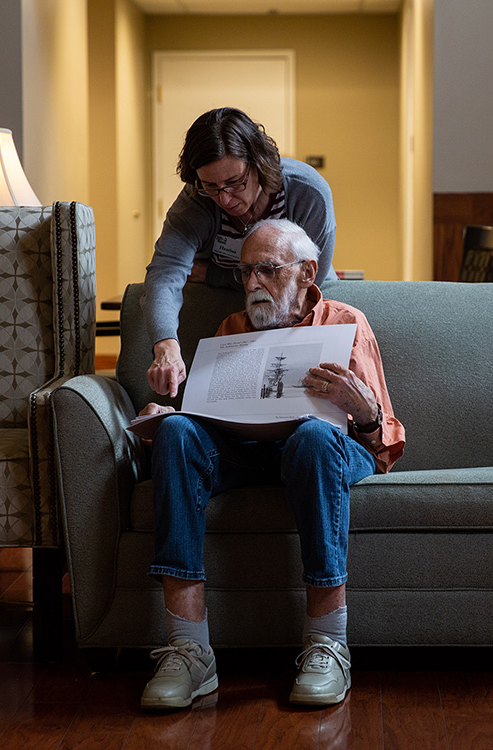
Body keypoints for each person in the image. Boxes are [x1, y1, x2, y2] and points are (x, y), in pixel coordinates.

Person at [138, 219, 405, 710]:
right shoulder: (232, 329)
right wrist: (171, 416)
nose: (253, 284)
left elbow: (382, 440)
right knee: (176, 431)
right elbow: (209, 421)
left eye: (267, 270)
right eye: (245, 273)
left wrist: (362, 409)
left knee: (312, 436)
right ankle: (189, 649)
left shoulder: (346, 322)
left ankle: (327, 643)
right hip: (245, 451)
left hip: (323, 450)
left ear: (307, 271)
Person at [142, 107, 338, 399]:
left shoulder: (307, 193)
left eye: (235, 182)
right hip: (236, 320)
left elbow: (299, 288)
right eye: (211, 186)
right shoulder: (196, 202)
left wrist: (213, 274)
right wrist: (166, 344)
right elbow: (164, 276)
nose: (224, 198)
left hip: (297, 309)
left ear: (258, 163)